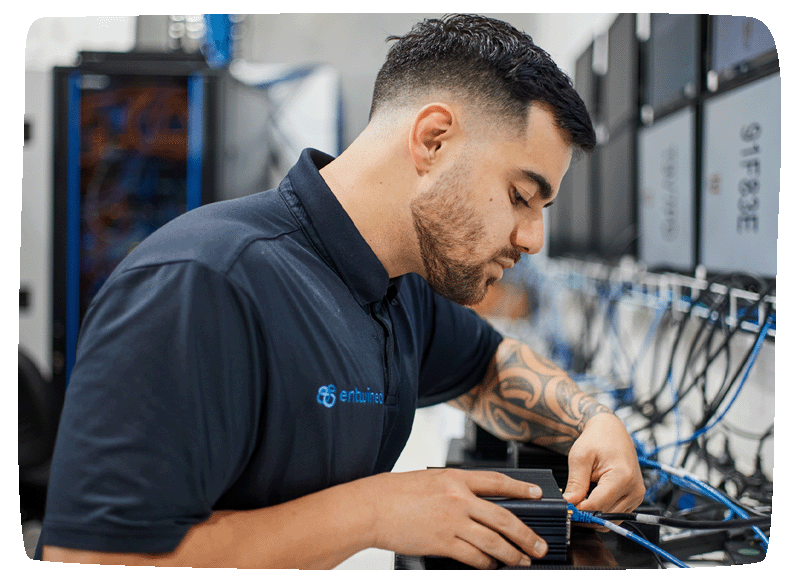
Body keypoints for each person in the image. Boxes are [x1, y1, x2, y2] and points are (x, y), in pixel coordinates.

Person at [39, 14, 645, 569]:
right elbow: (90, 563)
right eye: (520, 196)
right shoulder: (203, 284)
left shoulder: (400, 284)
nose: (533, 238)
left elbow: (487, 366)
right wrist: (374, 512)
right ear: (433, 141)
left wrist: (592, 422)